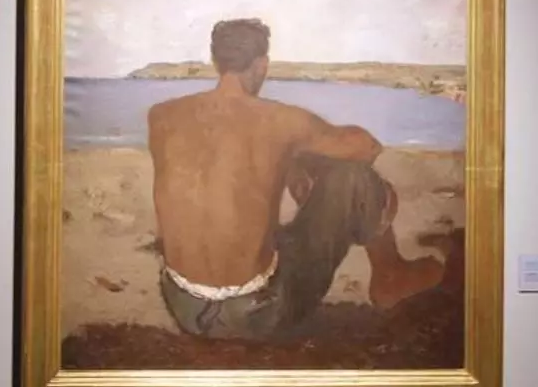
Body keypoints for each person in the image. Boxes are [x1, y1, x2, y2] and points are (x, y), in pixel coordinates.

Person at [147, 17, 408, 341]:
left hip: (184, 306)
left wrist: (289, 158)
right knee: (355, 176)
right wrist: (303, 157)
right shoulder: (282, 119)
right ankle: (391, 275)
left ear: (216, 61)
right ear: (262, 64)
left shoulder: (162, 116)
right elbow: (367, 147)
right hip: (257, 314)